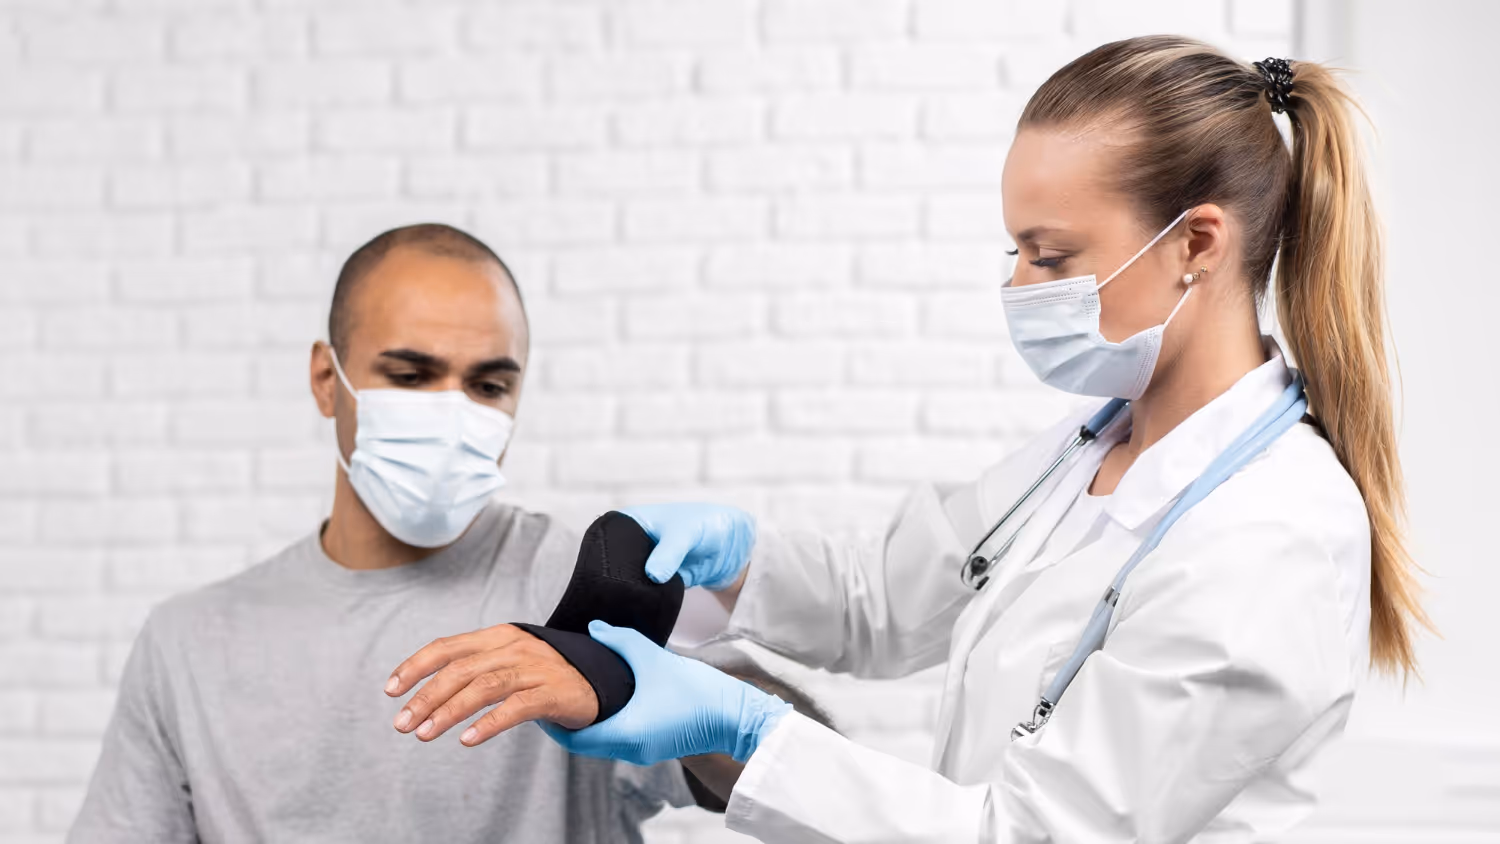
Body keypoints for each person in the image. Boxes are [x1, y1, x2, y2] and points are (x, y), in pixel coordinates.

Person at [390, 38, 1431, 843]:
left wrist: (737, 730)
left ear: (1197, 243)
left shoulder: (1272, 537)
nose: (1019, 286)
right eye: (1016, 250)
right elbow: (884, 599)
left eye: (1051, 253)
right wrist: (728, 567)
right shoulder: (1090, 450)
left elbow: (1021, 833)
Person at [68, 223, 725, 843]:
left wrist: (659, 686)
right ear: (329, 381)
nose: (452, 412)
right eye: (409, 377)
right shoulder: (191, 642)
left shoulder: (581, 588)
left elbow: (785, 759)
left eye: (488, 384)